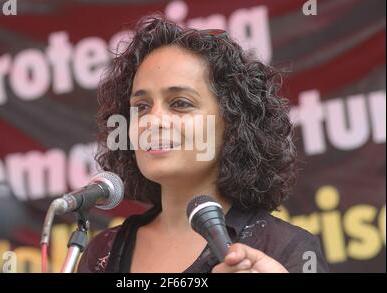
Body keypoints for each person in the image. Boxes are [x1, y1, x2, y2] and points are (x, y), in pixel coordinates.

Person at [77, 15, 328, 273]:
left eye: (180, 103)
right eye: (141, 107)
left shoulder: (285, 249)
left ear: (232, 121)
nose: (153, 120)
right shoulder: (101, 253)